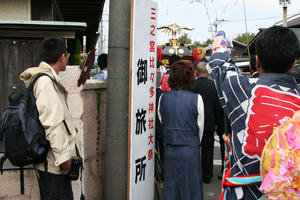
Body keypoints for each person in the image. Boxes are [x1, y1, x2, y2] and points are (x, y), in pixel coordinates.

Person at [207, 26, 300, 200]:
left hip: (246, 194)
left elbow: (218, 63)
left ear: (257, 61)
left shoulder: (240, 88)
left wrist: (221, 38)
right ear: (293, 63)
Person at [20, 38, 79, 200]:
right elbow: (52, 123)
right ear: (62, 57)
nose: (67, 59)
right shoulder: (45, 82)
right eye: (66, 55)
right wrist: (63, 157)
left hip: (52, 163)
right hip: (53, 165)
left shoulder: (47, 80)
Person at [158, 61, 204, 200]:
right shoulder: (197, 99)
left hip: (170, 151)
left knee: (171, 188)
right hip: (190, 151)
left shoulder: (163, 98)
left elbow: (162, 121)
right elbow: (200, 129)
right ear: (191, 77)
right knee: (191, 189)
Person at [192, 62, 222, 184]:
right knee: (208, 151)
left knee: (193, 150)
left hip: (194, 123)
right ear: (208, 72)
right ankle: (207, 176)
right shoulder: (214, 86)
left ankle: (193, 175)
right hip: (209, 123)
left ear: (197, 72)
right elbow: (218, 106)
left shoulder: (192, 85)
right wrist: (217, 122)